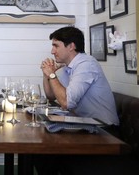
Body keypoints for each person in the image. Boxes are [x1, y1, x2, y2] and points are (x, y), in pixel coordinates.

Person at [34, 26, 119, 175]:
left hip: (105, 131)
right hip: (84, 126)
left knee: (45, 153)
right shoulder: (70, 67)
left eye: (56, 45)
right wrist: (47, 74)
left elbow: (66, 102)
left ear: (71, 46)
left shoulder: (86, 65)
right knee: (39, 151)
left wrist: (52, 76)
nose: (52, 51)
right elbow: (51, 96)